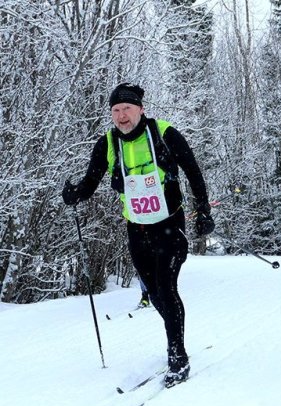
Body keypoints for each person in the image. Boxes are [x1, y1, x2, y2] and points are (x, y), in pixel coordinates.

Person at [62, 82, 214, 388]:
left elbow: (193, 171)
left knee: (166, 288)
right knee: (155, 293)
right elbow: (91, 181)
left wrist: (204, 211)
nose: (121, 116)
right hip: (137, 229)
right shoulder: (107, 143)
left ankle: (177, 357)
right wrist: (74, 194)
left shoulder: (164, 133)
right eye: (116, 111)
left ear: (140, 110)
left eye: (127, 109)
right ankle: (175, 333)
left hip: (170, 225)